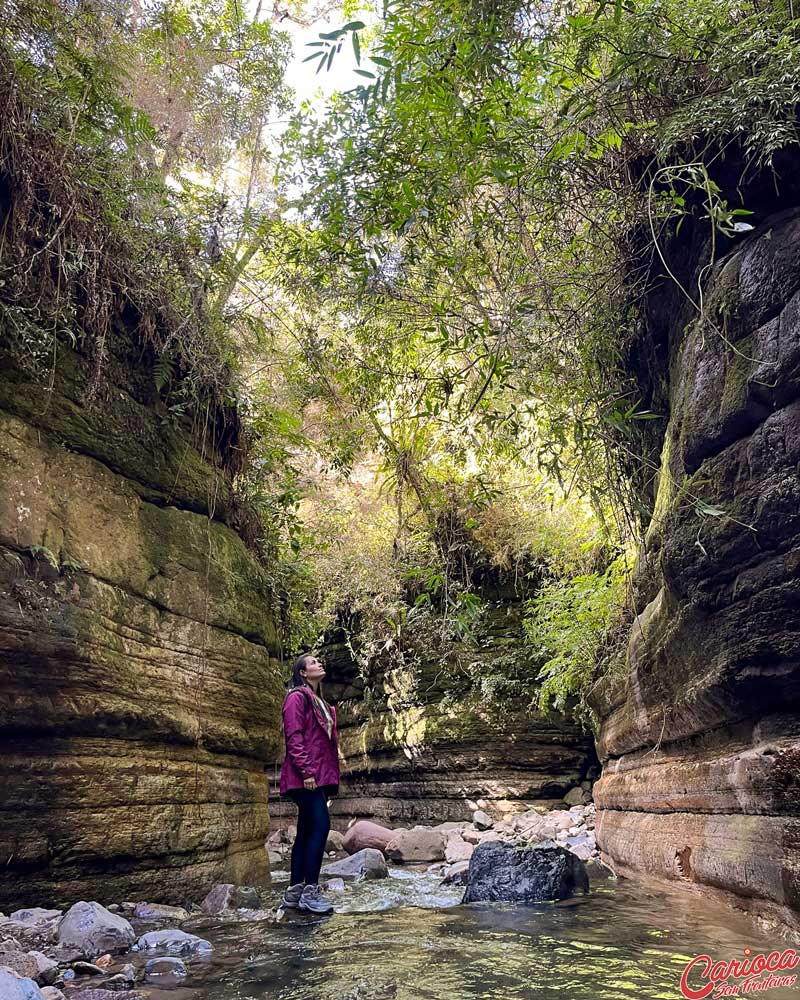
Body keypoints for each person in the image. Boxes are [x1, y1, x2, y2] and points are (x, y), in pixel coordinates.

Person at [278, 652, 340, 915]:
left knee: (305, 830)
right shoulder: (296, 697)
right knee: (321, 825)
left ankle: (294, 892)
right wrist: (307, 771)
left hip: (316, 775)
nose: (319, 663)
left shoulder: (318, 701)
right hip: (305, 775)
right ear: (302, 672)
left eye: (319, 660)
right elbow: (294, 736)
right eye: (313, 662)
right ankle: (311, 891)